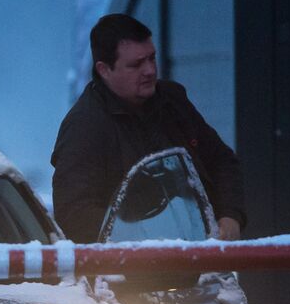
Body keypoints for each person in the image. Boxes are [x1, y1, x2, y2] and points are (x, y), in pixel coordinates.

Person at [51, 13, 246, 243]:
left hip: (204, 261)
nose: (150, 70)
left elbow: (221, 161)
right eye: (135, 64)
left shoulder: (173, 102)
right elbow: (74, 212)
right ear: (104, 70)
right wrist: (140, 239)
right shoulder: (84, 126)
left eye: (152, 59)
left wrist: (230, 215)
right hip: (130, 272)